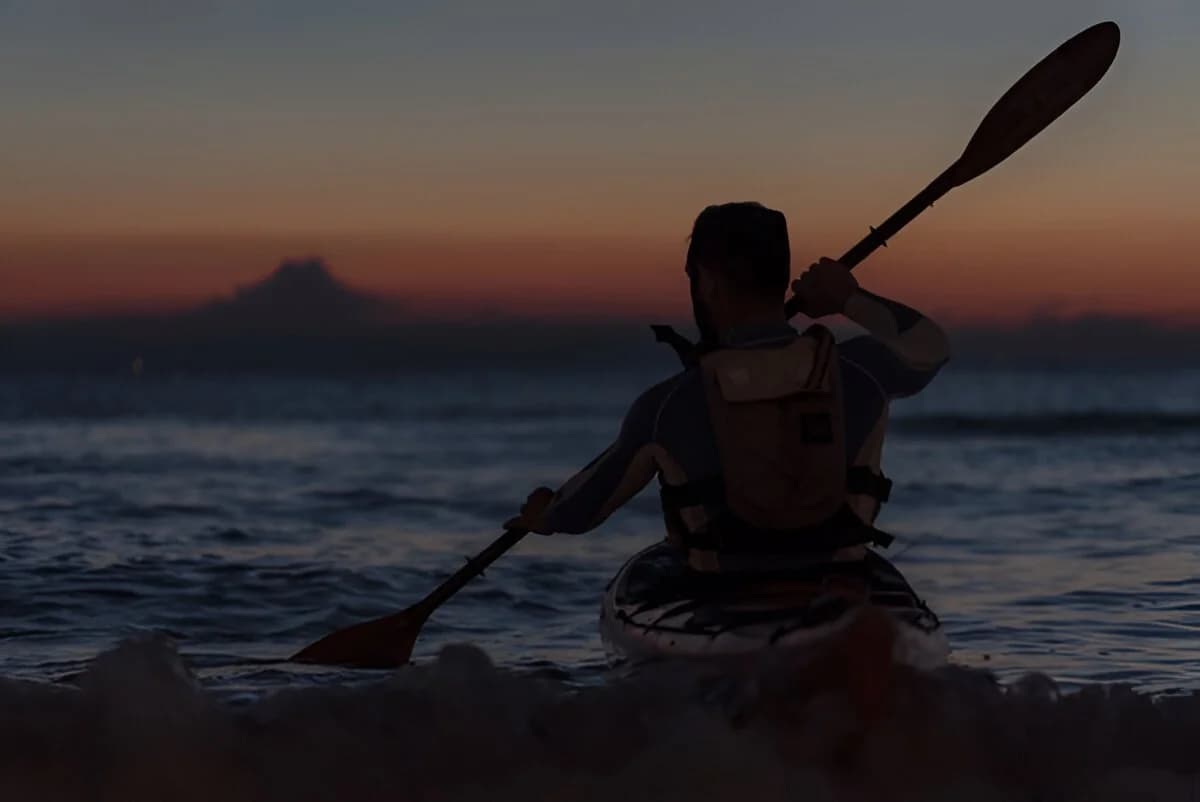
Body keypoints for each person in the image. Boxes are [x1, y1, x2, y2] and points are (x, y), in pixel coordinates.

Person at [506, 201, 949, 575]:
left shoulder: (669, 403)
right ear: (780, 277)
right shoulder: (859, 371)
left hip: (722, 598)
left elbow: (580, 513)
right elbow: (932, 349)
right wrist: (847, 298)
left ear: (708, 282)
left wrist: (543, 514)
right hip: (839, 582)